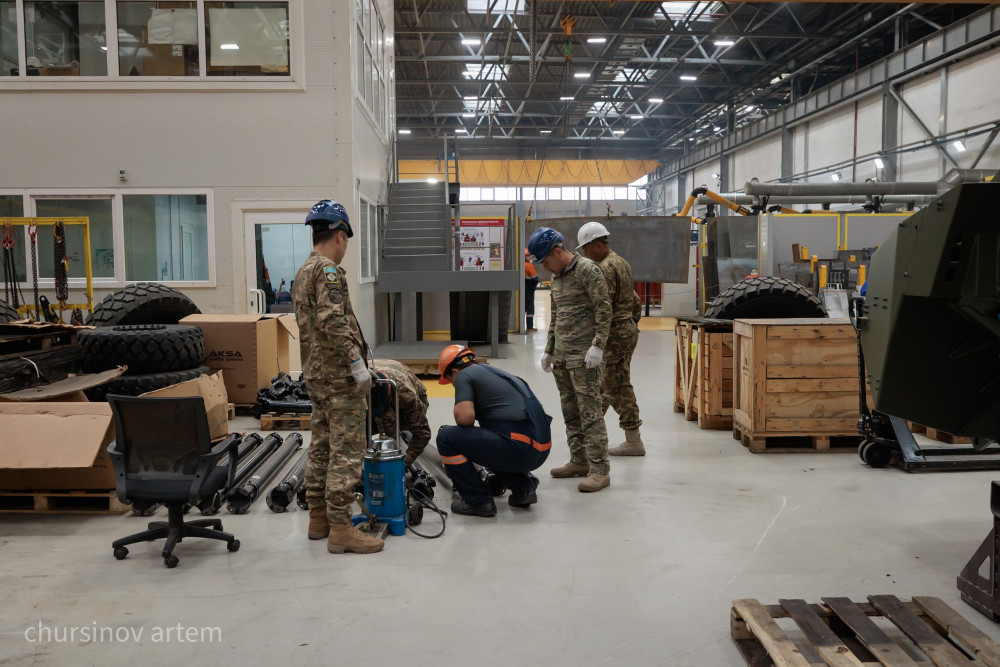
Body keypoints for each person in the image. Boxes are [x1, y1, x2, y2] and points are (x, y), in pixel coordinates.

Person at [291, 199, 383, 555]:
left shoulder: (302, 271)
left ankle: (318, 519)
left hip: (315, 376)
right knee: (346, 452)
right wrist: (357, 364)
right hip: (338, 378)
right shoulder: (328, 271)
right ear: (340, 235)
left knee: (321, 447)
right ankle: (342, 530)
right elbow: (333, 321)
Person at [528, 226, 613, 493]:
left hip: (584, 358)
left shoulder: (588, 270)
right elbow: (557, 316)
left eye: (546, 262)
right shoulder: (557, 279)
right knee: (571, 413)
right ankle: (579, 461)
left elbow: (604, 309)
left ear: (556, 251)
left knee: (591, 414)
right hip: (564, 358)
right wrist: (549, 349)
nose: (545, 268)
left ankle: (600, 470)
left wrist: (598, 345)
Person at [435, 345, 553, 517]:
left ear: (454, 372)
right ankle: (523, 488)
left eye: (450, 380)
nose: (454, 385)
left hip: (521, 449)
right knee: (489, 436)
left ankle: (478, 501)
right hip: (539, 450)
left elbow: (464, 418)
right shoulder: (495, 372)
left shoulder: (464, 376)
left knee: (446, 437)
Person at [576, 221, 645, 456]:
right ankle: (632, 439)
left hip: (614, 334)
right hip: (625, 330)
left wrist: (595, 337)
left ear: (596, 245)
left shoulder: (605, 268)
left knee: (603, 387)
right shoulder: (621, 263)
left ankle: (591, 441)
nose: (585, 254)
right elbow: (636, 301)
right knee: (619, 385)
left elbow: (601, 307)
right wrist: (630, 324)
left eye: (585, 248)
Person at [370, 359, 431, 468]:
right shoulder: (352, 388)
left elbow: (423, 434)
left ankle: (396, 444)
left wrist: (403, 464)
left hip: (412, 390)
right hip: (373, 390)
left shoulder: (406, 395)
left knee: (388, 422)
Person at [524, 248, 539, 333]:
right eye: (529, 256)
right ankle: (529, 327)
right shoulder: (529, 266)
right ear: (525, 257)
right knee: (530, 308)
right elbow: (534, 278)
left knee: (522, 308)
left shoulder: (518, 265)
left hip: (521, 290)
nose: (530, 258)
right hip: (529, 289)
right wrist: (535, 284)